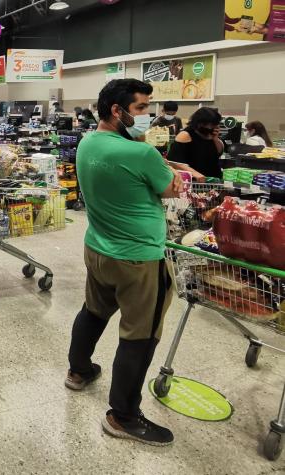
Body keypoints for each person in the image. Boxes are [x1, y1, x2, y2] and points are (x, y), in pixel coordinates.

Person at [67, 79, 183, 447]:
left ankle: (79, 370)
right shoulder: (142, 154)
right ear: (117, 111)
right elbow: (170, 189)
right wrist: (177, 174)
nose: (147, 116)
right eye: (141, 109)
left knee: (94, 311)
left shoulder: (89, 142)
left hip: (98, 250)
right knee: (140, 335)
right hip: (138, 259)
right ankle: (124, 415)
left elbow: (126, 174)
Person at [167, 107, 225, 179]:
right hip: (195, 181)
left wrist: (215, 139)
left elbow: (219, 153)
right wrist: (195, 174)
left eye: (214, 124)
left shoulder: (211, 134)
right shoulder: (185, 135)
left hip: (214, 180)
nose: (212, 127)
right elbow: (174, 162)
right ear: (200, 123)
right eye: (209, 124)